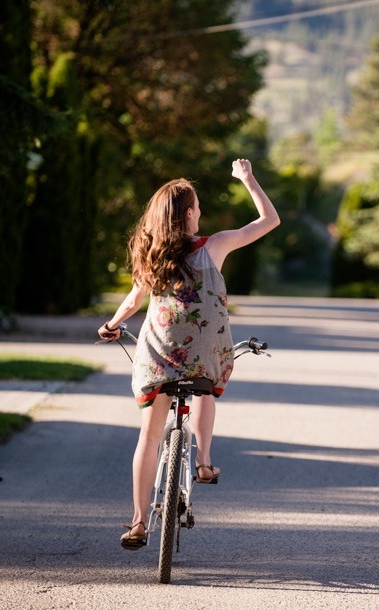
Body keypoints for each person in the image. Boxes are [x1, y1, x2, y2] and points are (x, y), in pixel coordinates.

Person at [97, 159, 280, 550]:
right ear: (190, 214)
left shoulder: (153, 256)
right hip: (205, 353)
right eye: (197, 206)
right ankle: (204, 462)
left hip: (159, 355)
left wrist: (112, 324)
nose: (201, 212)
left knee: (149, 435)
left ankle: (138, 522)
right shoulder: (214, 246)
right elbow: (268, 220)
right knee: (206, 387)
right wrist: (248, 179)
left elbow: (133, 300)